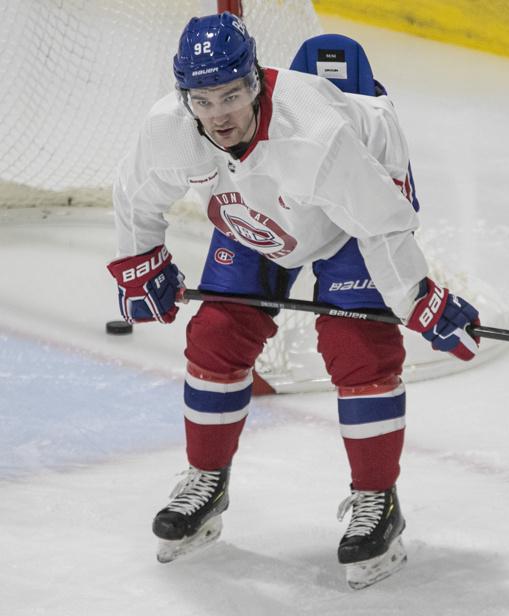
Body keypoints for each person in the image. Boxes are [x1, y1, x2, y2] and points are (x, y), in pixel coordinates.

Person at [106, 12, 480, 589]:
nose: (219, 115)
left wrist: (416, 300)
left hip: (353, 211)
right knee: (217, 333)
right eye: (203, 101)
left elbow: (381, 224)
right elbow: (135, 195)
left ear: (254, 82)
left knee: (356, 342)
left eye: (231, 95)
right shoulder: (170, 128)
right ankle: (207, 481)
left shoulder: (317, 135)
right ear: (186, 99)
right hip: (260, 209)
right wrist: (140, 263)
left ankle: (378, 501)